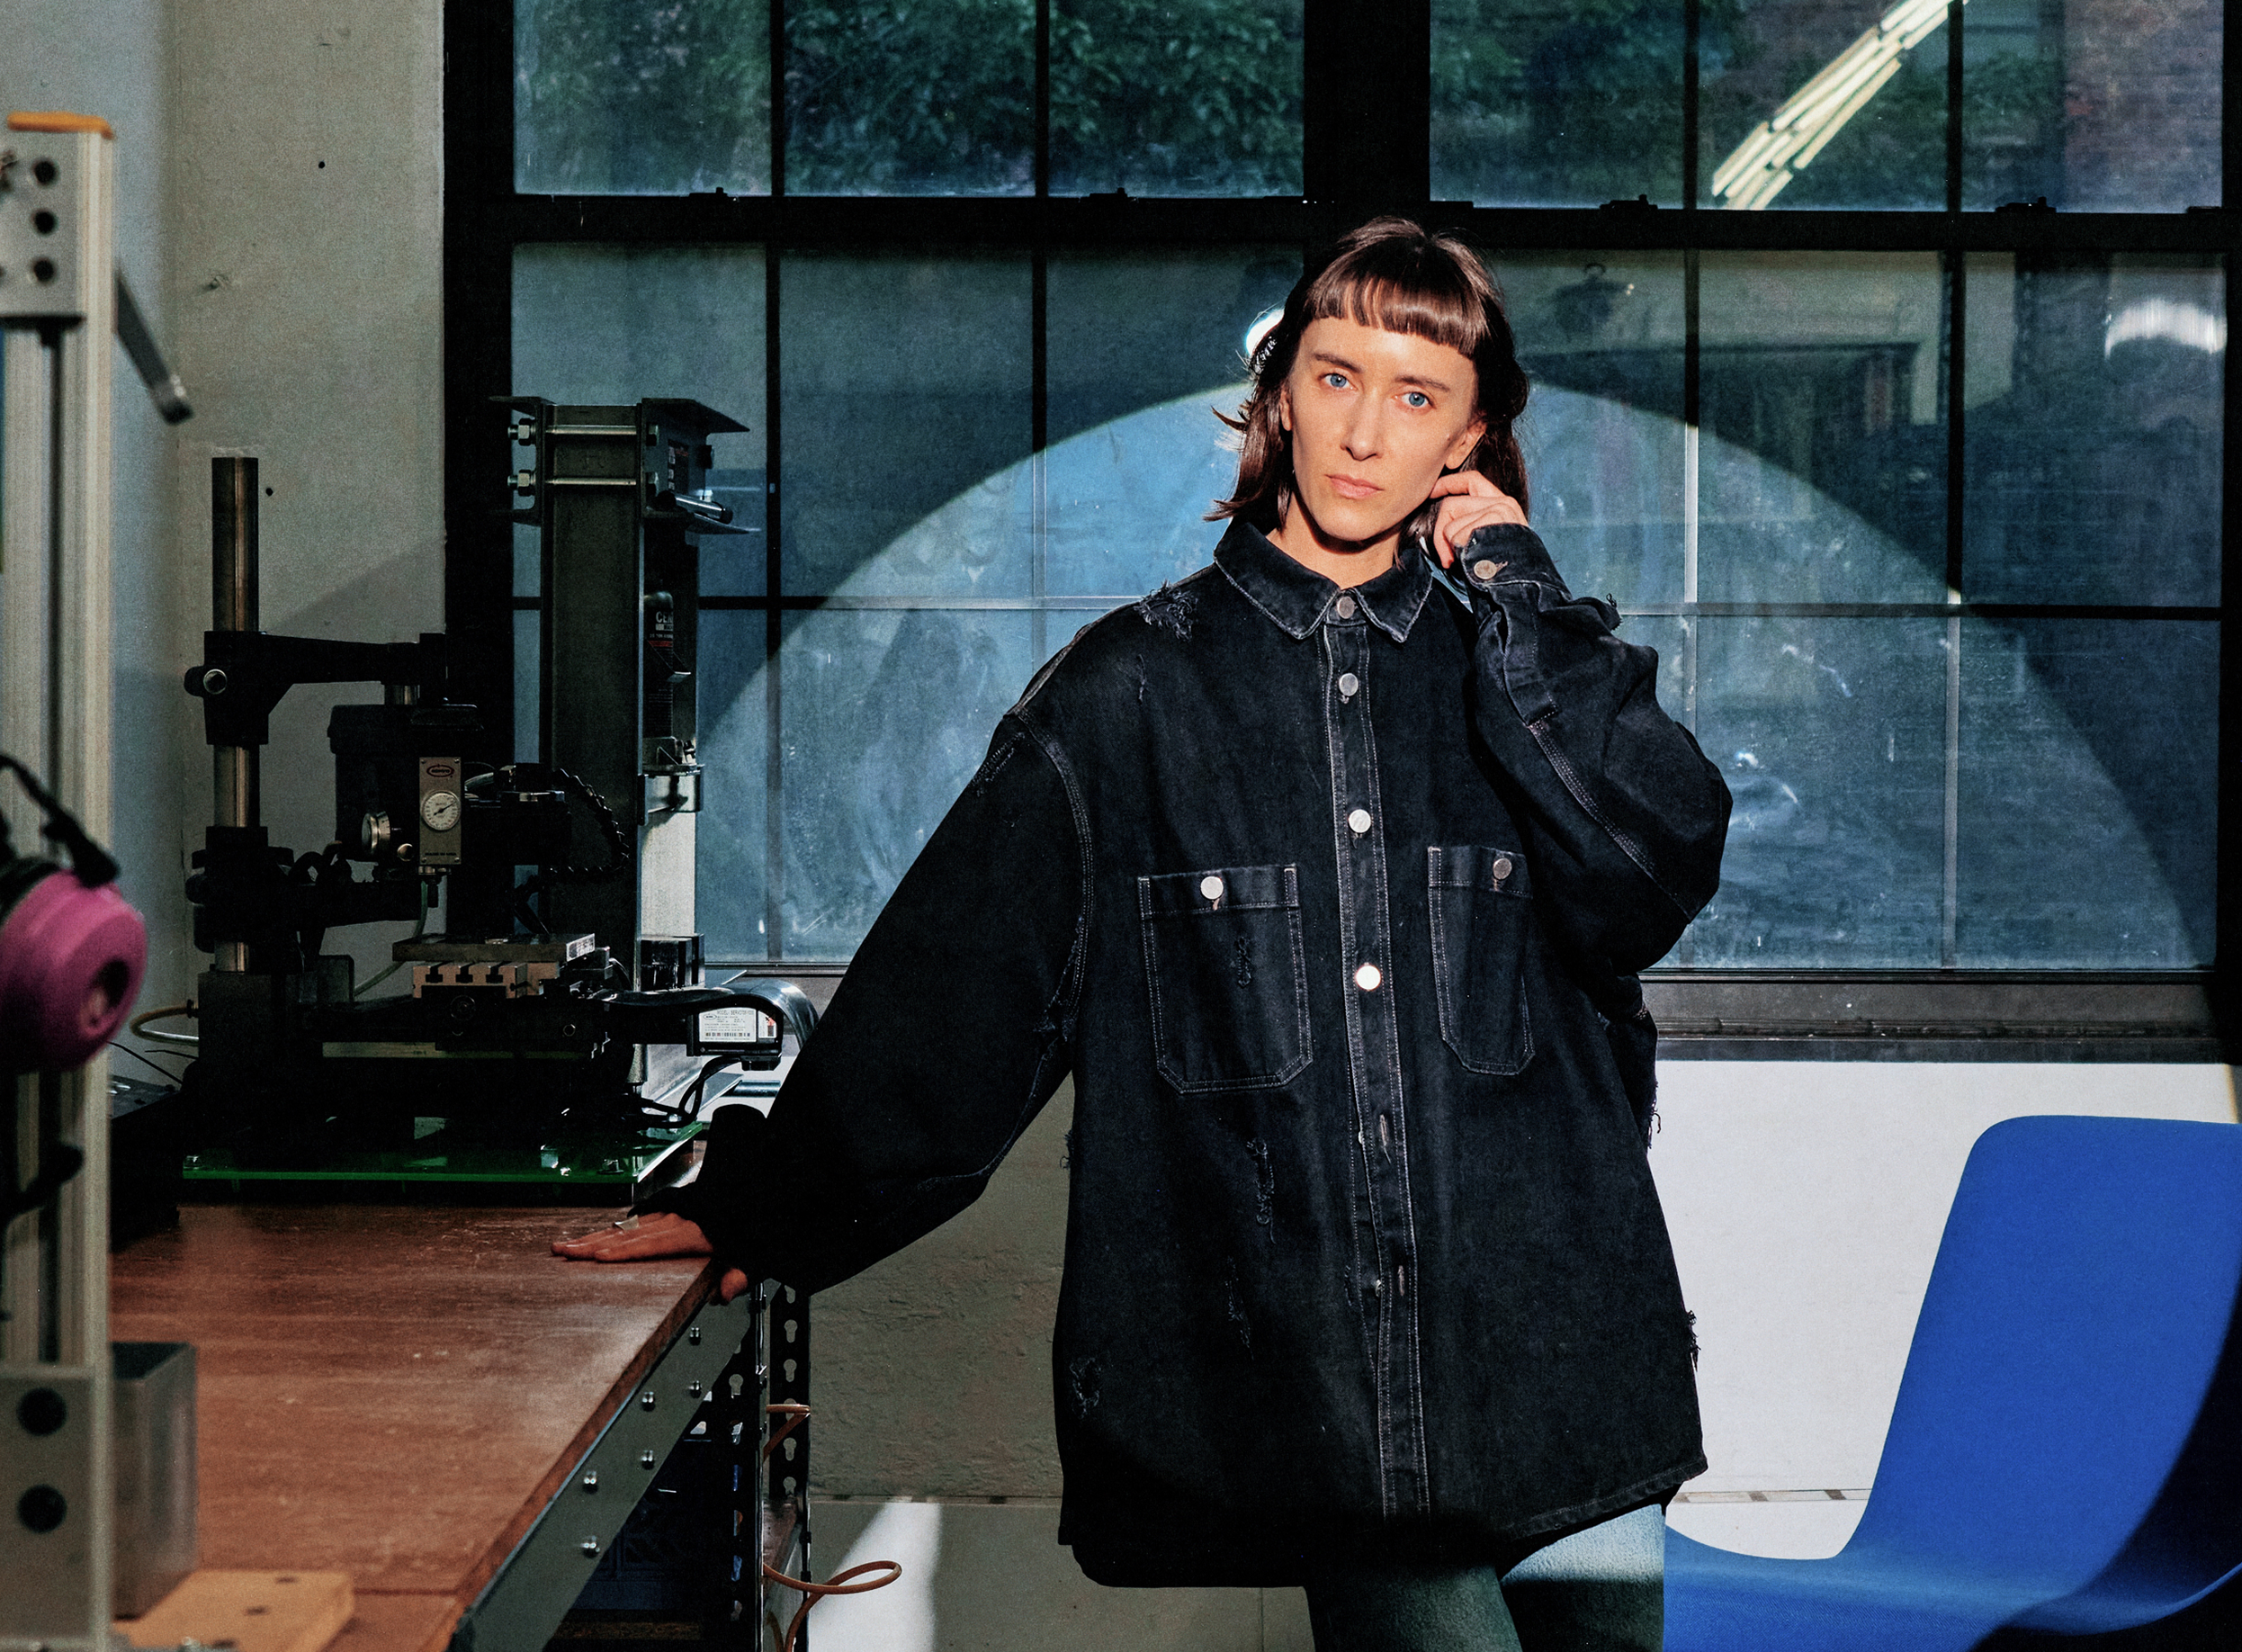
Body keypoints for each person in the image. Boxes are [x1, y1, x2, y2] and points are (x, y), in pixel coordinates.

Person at [557, 216, 1730, 1651]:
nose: (1365, 433)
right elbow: (962, 996)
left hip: (1563, 1361)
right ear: (1280, 393)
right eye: (1334, 378)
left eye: (1416, 396)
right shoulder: (1125, 697)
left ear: (1470, 438)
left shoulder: (1525, 676)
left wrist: (1519, 586)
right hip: (1334, 1401)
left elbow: (1651, 868)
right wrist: (763, 1211)